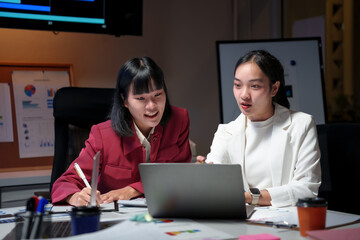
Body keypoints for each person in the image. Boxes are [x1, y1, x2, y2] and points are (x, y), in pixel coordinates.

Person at [51, 57, 192, 206]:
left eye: (157, 95)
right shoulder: (102, 135)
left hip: (166, 211)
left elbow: (178, 175)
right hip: (115, 218)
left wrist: (132, 190)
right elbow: (63, 183)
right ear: (124, 100)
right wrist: (75, 197)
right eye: (141, 98)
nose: (152, 106)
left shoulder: (179, 120)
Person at [197, 50, 321, 207]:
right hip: (241, 220)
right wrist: (202, 174)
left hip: (286, 220)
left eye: (254, 86)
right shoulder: (226, 132)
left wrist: (250, 198)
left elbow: (306, 189)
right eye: (237, 85)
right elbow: (215, 179)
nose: (244, 95)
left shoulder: (302, 124)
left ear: (274, 89)